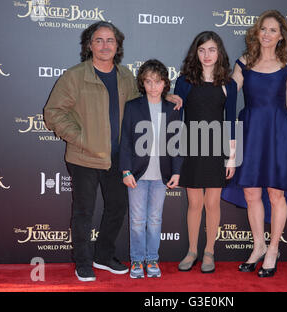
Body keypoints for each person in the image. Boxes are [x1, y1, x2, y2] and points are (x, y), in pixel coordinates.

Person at [44, 21, 181, 282]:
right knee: (84, 211)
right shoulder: (74, 76)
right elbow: (53, 113)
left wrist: (168, 98)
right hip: (84, 157)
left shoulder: (125, 76)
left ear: (117, 46)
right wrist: (80, 137)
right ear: (89, 45)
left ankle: (103, 255)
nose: (105, 45)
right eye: (99, 40)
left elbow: (141, 104)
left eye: (110, 40)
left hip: (117, 157)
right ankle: (83, 262)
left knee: (117, 208)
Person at [221, 10, 287, 278]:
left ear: (281, 35)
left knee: (275, 193)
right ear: (256, 33)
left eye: (273, 30)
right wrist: (189, 90)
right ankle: (258, 245)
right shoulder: (244, 62)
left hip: (279, 133)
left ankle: (273, 250)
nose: (267, 34)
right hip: (250, 130)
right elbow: (226, 92)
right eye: (263, 29)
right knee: (250, 192)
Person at [175, 31, 237, 273]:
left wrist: (232, 158)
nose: (207, 55)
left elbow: (231, 122)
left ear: (219, 52)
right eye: (202, 50)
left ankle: (209, 251)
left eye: (211, 50)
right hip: (191, 147)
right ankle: (192, 251)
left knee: (212, 203)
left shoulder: (229, 84)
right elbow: (175, 119)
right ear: (195, 53)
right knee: (194, 203)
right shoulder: (184, 81)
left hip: (217, 148)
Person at [119, 59, 181, 279]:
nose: (153, 86)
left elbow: (176, 143)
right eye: (148, 81)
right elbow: (125, 141)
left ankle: (152, 259)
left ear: (165, 83)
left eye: (158, 81)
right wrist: (125, 171)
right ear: (142, 83)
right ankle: (137, 260)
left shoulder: (172, 108)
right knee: (137, 220)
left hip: (161, 175)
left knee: (155, 219)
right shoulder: (133, 107)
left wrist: (176, 171)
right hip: (137, 174)